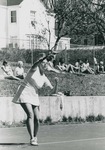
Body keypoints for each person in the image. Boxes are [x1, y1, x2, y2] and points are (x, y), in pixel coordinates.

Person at [12, 53, 59, 146]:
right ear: (41, 63)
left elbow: (52, 91)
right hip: (24, 92)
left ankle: (35, 136)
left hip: (34, 95)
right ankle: (32, 138)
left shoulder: (45, 78)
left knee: (37, 118)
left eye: (46, 64)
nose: (45, 65)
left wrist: (56, 83)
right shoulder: (34, 69)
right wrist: (45, 57)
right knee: (30, 114)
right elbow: (37, 63)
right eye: (43, 63)